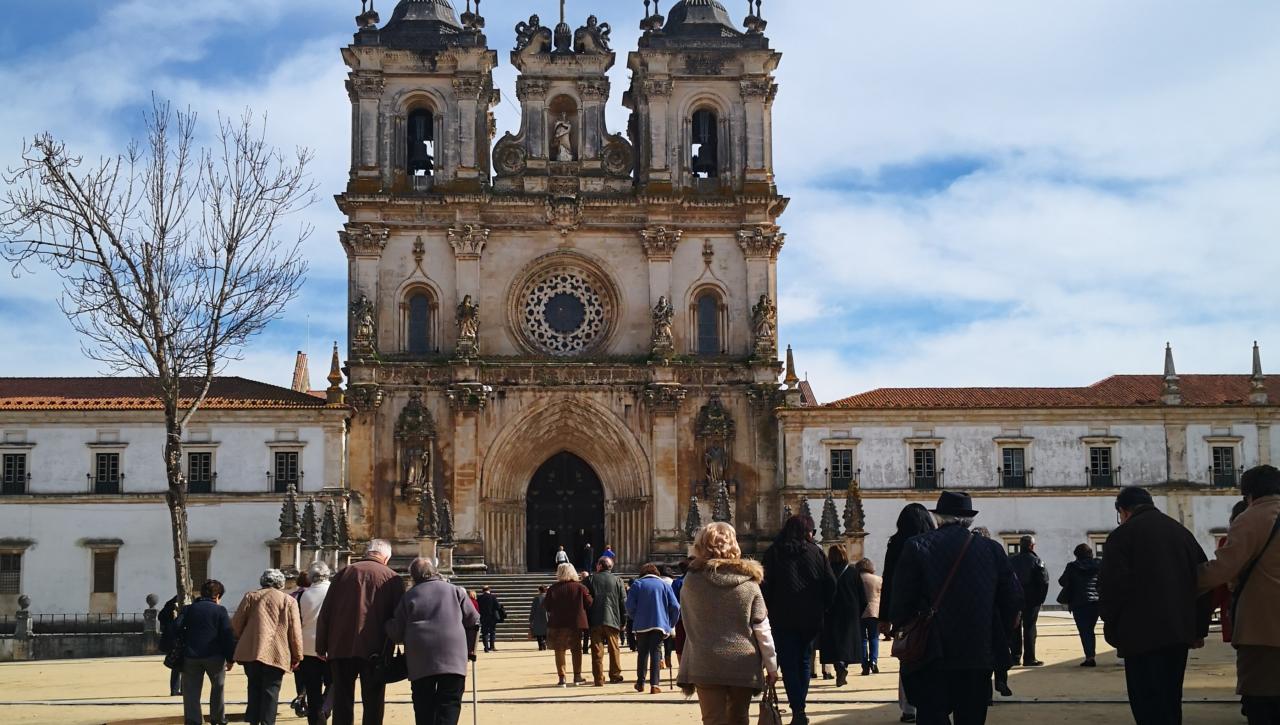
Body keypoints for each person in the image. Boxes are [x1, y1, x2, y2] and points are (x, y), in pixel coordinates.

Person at [889, 492, 1022, 725]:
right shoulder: (992, 549)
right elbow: (1012, 598)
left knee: (932, 715)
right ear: (968, 519)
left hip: (931, 652)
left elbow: (901, 601)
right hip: (977, 650)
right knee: (971, 716)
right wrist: (1000, 634)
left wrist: (904, 628)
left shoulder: (917, 546)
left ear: (939, 517)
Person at [1100, 486, 1211, 725]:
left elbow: (1112, 587)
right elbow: (1203, 583)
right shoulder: (1181, 533)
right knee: (1171, 699)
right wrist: (1198, 629)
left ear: (1124, 511)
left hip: (1138, 635)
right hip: (1177, 633)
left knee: (1146, 703)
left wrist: (1112, 628)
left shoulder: (1122, 535)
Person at [1198, 465, 1280, 725]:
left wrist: (1184, 580)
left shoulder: (1251, 518)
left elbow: (1223, 569)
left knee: (1261, 698)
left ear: (1248, 494)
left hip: (1262, 626)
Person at [677, 522, 779, 725]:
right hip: (742, 663)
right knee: (739, 719)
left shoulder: (691, 582)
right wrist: (772, 666)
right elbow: (761, 628)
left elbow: (686, 620)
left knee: (712, 720)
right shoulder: (749, 584)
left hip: (705, 661)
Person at [316, 539, 407, 725]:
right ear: (386, 557)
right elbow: (398, 617)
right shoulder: (393, 578)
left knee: (342, 699)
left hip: (340, 646)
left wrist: (321, 646)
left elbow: (326, 612)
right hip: (376, 649)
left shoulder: (343, 573)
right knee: (373, 700)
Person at [761, 514, 835, 725]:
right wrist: (823, 606)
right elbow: (831, 584)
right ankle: (799, 708)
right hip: (810, 617)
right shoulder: (817, 553)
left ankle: (798, 709)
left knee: (788, 664)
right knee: (804, 660)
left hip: (782, 617)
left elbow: (765, 587)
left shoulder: (773, 553)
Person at [387, 558, 480, 725]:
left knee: (424, 705)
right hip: (453, 659)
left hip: (420, 660)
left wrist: (386, 624)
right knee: (450, 701)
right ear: (435, 571)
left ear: (413, 576)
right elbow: (474, 620)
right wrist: (471, 649)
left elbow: (397, 633)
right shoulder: (456, 591)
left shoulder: (408, 597)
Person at [881, 503, 936, 723]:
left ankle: (908, 708)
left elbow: (888, 581)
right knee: (932, 658)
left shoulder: (896, 544)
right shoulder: (935, 541)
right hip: (932, 610)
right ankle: (931, 704)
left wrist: (884, 617)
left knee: (908, 657)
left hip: (905, 612)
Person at [232, 569, 304, 725]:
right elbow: (295, 631)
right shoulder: (288, 600)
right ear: (281, 583)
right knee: (271, 691)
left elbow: (236, 624)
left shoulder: (250, 596)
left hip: (252, 650)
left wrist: (242, 637)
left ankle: (253, 721)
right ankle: (267, 722)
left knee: (253, 687)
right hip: (277, 650)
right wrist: (297, 655)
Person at [177, 579, 235, 725]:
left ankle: (193, 720)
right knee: (218, 688)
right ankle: (217, 719)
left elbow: (176, 628)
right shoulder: (220, 610)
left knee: (191, 692)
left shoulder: (188, 609)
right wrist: (230, 658)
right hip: (215, 656)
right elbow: (227, 635)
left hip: (190, 655)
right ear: (217, 596)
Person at [626, 562, 681, 694]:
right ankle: (654, 684)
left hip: (641, 624)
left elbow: (629, 606)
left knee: (642, 653)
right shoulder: (664, 585)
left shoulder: (637, 585)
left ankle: (640, 683)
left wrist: (636, 617)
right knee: (656, 653)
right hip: (660, 624)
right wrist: (671, 624)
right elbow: (675, 607)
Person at [820, 545, 867, 688]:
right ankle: (843, 664)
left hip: (831, 612)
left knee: (833, 642)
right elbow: (863, 598)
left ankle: (838, 665)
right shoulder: (853, 572)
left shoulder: (825, 572)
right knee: (847, 642)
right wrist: (858, 612)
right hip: (850, 612)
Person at [544, 561, 593, 687]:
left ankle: (562, 678)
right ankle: (577, 676)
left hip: (557, 623)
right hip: (575, 623)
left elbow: (547, 607)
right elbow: (589, 603)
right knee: (576, 649)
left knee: (559, 650)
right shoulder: (580, 587)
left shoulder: (553, 589)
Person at [298, 562, 332, 725]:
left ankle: (316, 718)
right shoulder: (335, 592)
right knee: (334, 684)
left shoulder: (303, 595)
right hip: (331, 646)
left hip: (308, 647)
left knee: (312, 690)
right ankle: (324, 711)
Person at [1058, 543, 1102, 667]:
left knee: (1085, 630)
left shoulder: (1072, 566)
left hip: (1079, 603)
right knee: (1091, 629)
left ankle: (1090, 657)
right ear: (1091, 553)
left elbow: (1062, 581)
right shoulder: (1098, 564)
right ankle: (1091, 655)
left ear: (1076, 555)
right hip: (1096, 601)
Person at [1009, 535, 1050, 667]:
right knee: (1030, 628)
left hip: (1014, 599)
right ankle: (1029, 658)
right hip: (1032, 600)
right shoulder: (1037, 561)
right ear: (1032, 546)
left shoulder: (1011, 560)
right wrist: (1041, 599)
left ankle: (1015, 657)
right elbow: (1044, 581)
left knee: (1015, 627)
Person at [586, 556, 627, 686]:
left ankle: (598, 677)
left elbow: (585, 600)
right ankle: (615, 675)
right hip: (613, 618)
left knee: (596, 649)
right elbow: (623, 602)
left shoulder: (590, 579)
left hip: (595, 619)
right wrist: (623, 620)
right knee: (614, 648)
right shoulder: (618, 580)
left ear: (599, 566)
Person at [288, 571, 312, 718]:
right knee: (313, 673)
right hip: (310, 639)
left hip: (294, 639)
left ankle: (300, 697)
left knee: (299, 671)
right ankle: (303, 697)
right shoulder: (313, 596)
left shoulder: (291, 596)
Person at [855, 559, 882, 677]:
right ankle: (874, 661)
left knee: (862, 640)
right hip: (874, 611)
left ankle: (864, 665)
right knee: (874, 638)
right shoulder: (878, 579)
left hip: (859, 612)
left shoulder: (855, 579)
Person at [160, 593, 184, 697]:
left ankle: (178, 690)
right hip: (177, 640)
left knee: (178, 667)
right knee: (179, 666)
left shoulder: (170, 605)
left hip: (175, 639)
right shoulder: (171, 606)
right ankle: (177, 690)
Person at [477, 586, 506, 653]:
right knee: (492, 632)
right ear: (489, 590)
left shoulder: (480, 598)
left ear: (482, 590)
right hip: (492, 617)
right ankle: (492, 646)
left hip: (483, 617)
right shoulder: (493, 597)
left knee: (484, 633)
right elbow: (498, 606)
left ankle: (486, 648)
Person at [530, 585, 550, 651]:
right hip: (546, 616)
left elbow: (533, 610)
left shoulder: (536, 598)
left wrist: (531, 618)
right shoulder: (548, 598)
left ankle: (540, 646)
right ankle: (544, 641)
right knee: (545, 631)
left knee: (538, 632)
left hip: (537, 617)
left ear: (539, 590)